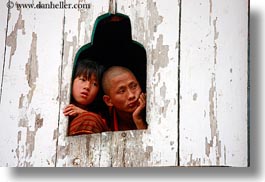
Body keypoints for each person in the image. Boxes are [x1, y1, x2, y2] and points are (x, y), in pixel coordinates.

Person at [63, 59, 109, 135]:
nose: (87, 87)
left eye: (94, 84)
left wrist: (83, 113)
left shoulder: (101, 116)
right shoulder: (58, 107)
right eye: (83, 79)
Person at [102, 66, 147, 131]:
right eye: (122, 91)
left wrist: (139, 120)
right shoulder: (105, 122)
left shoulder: (155, 108)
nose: (131, 95)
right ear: (108, 101)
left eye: (134, 86)